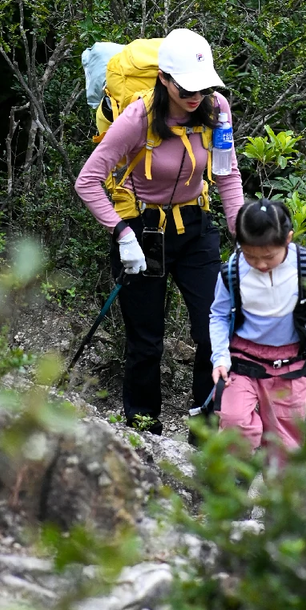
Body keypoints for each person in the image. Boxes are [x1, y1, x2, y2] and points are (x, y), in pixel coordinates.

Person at [75, 29, 244, 434]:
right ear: (164, 79)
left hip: (195, 227)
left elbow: (227, 173)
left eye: (203, 87)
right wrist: (122, 234)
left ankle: (205, 431)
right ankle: (143, 430)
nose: (195, 96)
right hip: (142, 232)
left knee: (214, 330)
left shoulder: (217, 109)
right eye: (186, 88)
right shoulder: (138, 117)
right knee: (146, 339)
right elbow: (88, 181)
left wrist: (245, 238)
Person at [209, 199, 306, 458]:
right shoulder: (232, 271)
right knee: (234, 420)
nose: (260, 264)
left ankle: (279, 482)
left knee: (286, 442)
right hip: (242, 360)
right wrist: (219, 358)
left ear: (288, 239)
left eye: (268, 256)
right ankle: (235, 476)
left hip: (291, 363)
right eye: (251, 256)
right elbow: (218, 315)